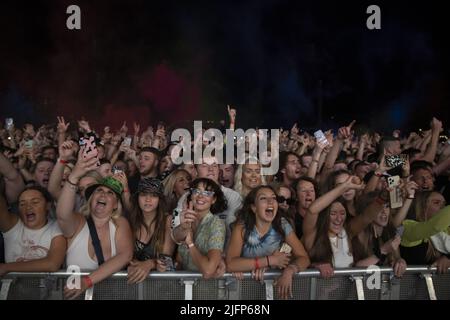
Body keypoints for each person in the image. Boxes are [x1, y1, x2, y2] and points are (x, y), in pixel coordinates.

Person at [56, 147, 133, 299]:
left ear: (116, 205)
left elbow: (125, 255)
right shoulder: (78, 221)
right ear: (90, 200)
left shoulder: (120, 223)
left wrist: (87, 281)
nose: (103, 194)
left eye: (110, 193)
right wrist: (75, 175)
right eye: (99, 191)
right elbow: (62, 215)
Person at [226, 185, 310, 299]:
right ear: (254, 207)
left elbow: (304, 258)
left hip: (275, 288)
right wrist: (269, 261)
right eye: (263, 198)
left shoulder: (282, 224)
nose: (270, 202)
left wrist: (290, 270)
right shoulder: (242, 226)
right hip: (245, 289)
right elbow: (231, 264)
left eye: (274, 198)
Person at [303, 175, 383, 277]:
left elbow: (367, 216)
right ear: (324, 217)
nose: (339, 219)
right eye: (333, 214)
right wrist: (344, 186)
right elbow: (312, 210)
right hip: (318, 291)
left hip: (344, 291)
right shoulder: (313, 235)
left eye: (342, 213)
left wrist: (384, 197)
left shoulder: (347, 232)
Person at [0, 186, 66, 275]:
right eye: (22, 204)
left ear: (48, 205)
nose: (28, 207)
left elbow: (52, 264)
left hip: (44, 287)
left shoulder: (56, 227)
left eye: (35, 202)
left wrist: (5, 267)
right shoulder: (13, 226)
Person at [175, 178, 227, 278]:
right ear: (191, 196)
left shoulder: (216, 223)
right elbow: (180, 260)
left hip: (207, 289)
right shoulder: (186, 221)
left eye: (207, 193)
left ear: (214, 200)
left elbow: (208, 271)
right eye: (197, 191)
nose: (200, 196)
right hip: (185, 286)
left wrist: (190, 244)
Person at [127, 178, 176, 283]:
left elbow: (166, 261)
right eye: (144, 194)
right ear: (137, 198)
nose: (148, 199)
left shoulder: (167, 220)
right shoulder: (130, 221)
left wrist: (149, 264)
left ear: (160, 200)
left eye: (154, 195)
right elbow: (125, 256)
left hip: (161, 285)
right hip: (134, 282)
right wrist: (135, 264)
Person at [352, 192, 407, 277]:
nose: (384, 212)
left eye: (387, 206)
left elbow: (396, 257)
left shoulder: (390, 232)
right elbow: (356, 269)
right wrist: (383, 250)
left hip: (383, 286)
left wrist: (400, 261)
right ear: (368, 211)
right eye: (379, 208)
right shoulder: (360, 234)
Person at [400, 191, 450, 273]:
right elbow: (434, 226)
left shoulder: (445, 230)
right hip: (412, 284)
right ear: (422, 206)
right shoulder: (408, 226)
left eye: (444, 204)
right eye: (436, 203)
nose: (442, 207)